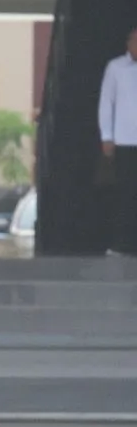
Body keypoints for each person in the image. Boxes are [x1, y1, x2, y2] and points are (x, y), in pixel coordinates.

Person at [98, 25, 137, 256]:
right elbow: (106, 102)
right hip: (124, 140)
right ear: (128, 42)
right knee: (125, 193)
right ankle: (122, 243)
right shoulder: (115, 68)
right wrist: (107, 136)